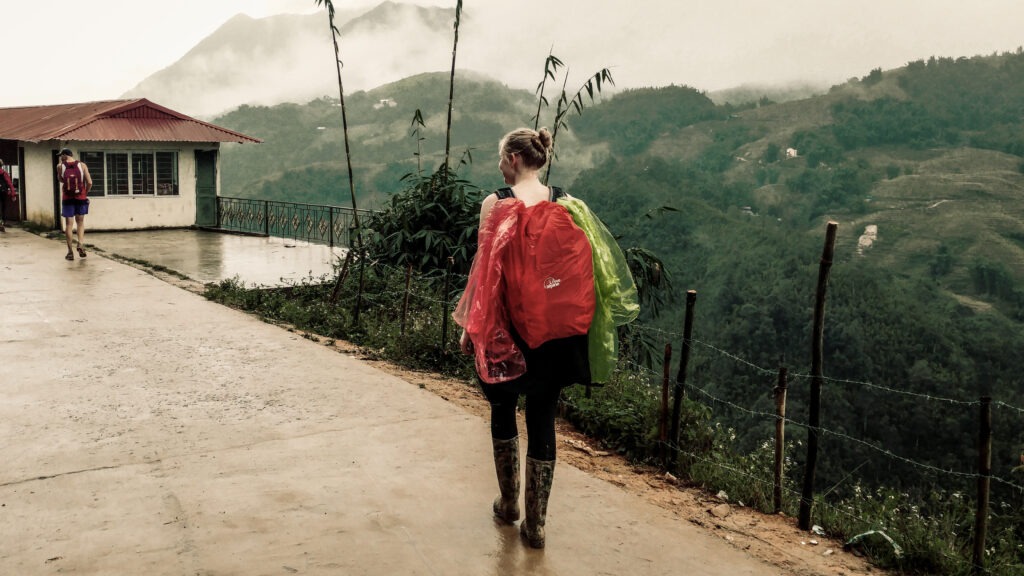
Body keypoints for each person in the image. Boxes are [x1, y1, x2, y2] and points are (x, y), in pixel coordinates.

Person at [455, 127, 593, 549]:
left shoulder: (496, 203)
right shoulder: (568, 202)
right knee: (542, 417)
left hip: (509, 330)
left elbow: (486, 272)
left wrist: (470, 328)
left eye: (501, 159)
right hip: (556, 331)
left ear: (514, 159)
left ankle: (510, 503)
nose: (499, 166)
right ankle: (536, 526)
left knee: (503, 407)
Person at [56, 149, 92, 260]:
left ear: (64, 155)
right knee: (80, 222)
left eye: (61, 155)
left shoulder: (60, 166)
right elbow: (89, 182)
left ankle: (70, 252)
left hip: (67, 198)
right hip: (80, 197)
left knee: (69, 225)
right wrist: (84, 192)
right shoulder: (82, 165)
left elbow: (61, 180)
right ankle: (80, 244)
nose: (60, 157)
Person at [0, 160, 16, 232]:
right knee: (3, 207)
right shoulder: (4, 173)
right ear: (1, 165)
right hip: (3, 192)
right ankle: (2, 222)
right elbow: (10, 184)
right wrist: (13, 194)